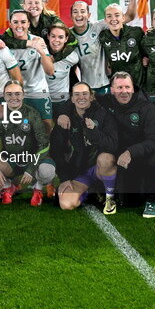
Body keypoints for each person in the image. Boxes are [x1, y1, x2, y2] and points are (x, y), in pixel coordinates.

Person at [98, 72, 155, 218]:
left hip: (141, 154)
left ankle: (152, 201)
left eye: (127, 87)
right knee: (129, 201)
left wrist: (130, 152)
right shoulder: (105, 101)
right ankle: (106, 194)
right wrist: (65, 114)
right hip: (119, 153)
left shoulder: (147, 107)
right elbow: (80, 100)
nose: (124, 91)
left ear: (133, 89)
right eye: (120, 87)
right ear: (112, 90)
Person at [0, 81, 57, 206]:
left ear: (23, 95)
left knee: (47, 170)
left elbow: (44, 145)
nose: (13, 98)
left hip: (32, 159)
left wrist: (31, 168)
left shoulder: (32, 114)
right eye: (9, 94)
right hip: (11, 160)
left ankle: (38, 189)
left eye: (17, 94)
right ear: (4, 96)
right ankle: (8, 186)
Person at [53, 83, 120, 213]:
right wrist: (65, 178)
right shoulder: (65, 119)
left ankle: (110, 198)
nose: (81, 97)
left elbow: (112, 145)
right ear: (71, 98)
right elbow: (56, 150)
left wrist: (94, 132)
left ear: (91, 97)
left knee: (105, 159)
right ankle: (91, 191)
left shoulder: (103, 115)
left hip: (100, 169)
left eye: (85, 94)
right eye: (76, 94)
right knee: (66, 203)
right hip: (80, 171)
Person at [0, 10, 56, 128]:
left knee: (46, 125)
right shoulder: (4, 43)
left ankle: (47, 147)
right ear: (10, 24)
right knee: (19, 127)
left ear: (28, 24)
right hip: (15, 92)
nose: (19, 26)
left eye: (23, 22)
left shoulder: (37, 39)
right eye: (15, 22)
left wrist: (39, 50)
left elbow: (50, 71)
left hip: (38, 91)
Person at [98, 1, 145, 88]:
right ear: (105, 20)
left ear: (123, 18)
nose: (113, 19)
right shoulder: (102, 37)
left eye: (117, 15)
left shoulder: (136, 32)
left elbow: (147, 53)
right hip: (118, 87)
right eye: (109, 16)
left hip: (139, 86)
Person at [45, 24, 80, 105]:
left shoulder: (72, 57)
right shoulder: (39, 54)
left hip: (63, 101)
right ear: (48, 36)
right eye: (53, 36)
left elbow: (75, 71)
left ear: (66, 39)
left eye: (60, 37)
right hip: (43, 100)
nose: (56, 40)